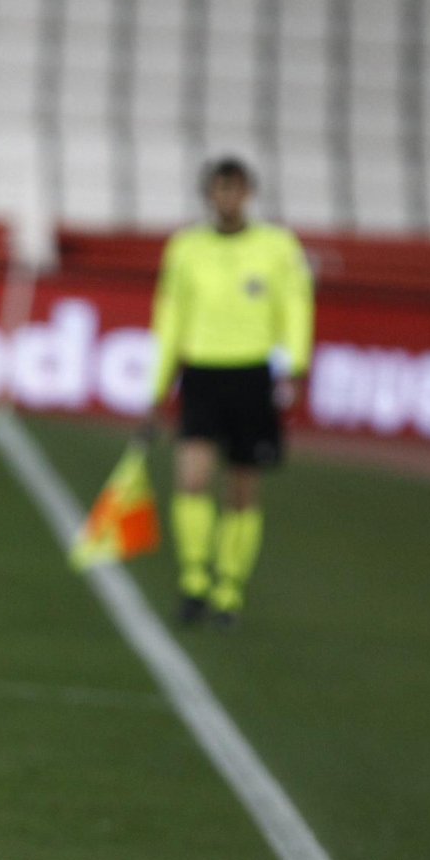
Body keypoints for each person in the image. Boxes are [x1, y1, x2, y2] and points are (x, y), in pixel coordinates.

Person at [149, 156, 314, 628]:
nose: (228, 197)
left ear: (249, 194)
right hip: (201, 371)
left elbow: (295, 305)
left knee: (241, 489)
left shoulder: (276, 245)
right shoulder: (186, 247)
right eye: (220, 188)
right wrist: (158, 382)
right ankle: (194, 580)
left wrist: (296, 364)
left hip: (251, 374)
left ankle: (229, 589)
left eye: (235, 188)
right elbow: (170, 313)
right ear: (209, 194)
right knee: (192, 479)